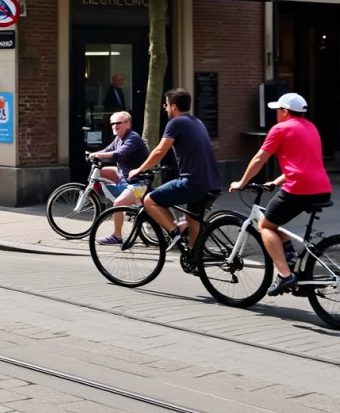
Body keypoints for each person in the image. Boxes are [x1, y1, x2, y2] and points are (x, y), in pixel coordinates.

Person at [229, 92, 334, 296]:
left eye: (278, 110)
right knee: (274, 221)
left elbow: (259, 159)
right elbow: (303, 163)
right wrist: (276, 182)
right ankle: (292, 258)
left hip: (299, 189)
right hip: (322, 188)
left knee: (265, 225)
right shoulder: (311, 127)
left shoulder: (280, 129)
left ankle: (285, 275)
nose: (276, 114)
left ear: (285, 112)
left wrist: (242, 182)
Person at [128, 87, 220, 250]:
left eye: (166, 105)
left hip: (192, 182)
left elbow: (160, 151)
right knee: (192, 219)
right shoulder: (197, 122)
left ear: (173, 106)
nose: (165, 108)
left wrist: (140, 169)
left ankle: (174, 232)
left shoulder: (176, 122)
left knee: (149, 200)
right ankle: (194, 255)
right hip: (211, 182)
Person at [91, 111, 150, 245]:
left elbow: (119, 154)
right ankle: (92, 197)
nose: (114, 126)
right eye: (112, 123)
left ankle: (117, 236)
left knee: (118, 204)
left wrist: (99, 156)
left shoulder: (133, 138)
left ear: (127, 124)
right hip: (124, 176)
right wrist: (94, 154)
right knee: (99, 172)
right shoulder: (118, 138)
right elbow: (108, 149)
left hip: (140, 182)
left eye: (118, 123)